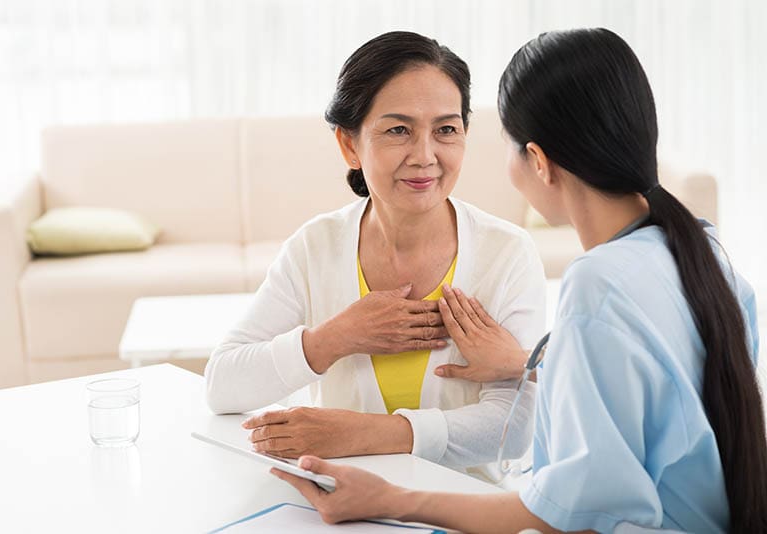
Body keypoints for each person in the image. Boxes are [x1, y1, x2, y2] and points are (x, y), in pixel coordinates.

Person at [272, 28, 767, 533]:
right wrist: (520, 363)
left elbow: (569, 514)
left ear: (537, 161)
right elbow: (659, 407)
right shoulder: (704, 254)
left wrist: (390, 499)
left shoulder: (597, 283)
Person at [204, 31, 545, 472]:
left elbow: (513, 427)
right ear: (350, 145)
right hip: (334, 508)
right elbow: (222, 384)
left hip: (463, 509)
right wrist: (333, 339)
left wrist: (360, 434)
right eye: (398, 130)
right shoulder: (316, 247)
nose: (425, 155)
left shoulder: (508, 254)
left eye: (445, 130)